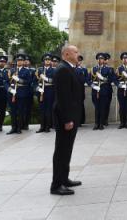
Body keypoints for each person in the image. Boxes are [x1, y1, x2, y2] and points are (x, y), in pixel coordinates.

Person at [51, 45, 84, 196]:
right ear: (66, 54)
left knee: (67, 150)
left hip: (72, 115)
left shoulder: (69, 68)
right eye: (75, 52)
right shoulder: (63, 69)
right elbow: (63, 98)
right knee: (61, 151)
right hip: (66, 117)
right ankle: (56, 185)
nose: (78, 54)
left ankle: (64, 178)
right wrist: (67, 119)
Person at [91, 52, 116, 130]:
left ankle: (101, 123)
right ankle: (96, 123)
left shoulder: (108, 69)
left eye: (101, 59)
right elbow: (88, 79)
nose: (100, 60)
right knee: (97, 107)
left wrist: (103, 78)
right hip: (95, 90)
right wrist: (93, 86)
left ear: (104, 60)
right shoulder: (93, 69)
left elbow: (112, 79)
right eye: (99, 59)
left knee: (102, 107)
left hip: (104, 90)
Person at [36, 54, 56, 133]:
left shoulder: (54, 70)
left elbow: (55, 80)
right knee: (41, 110)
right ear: (44, 61)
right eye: (46, 60)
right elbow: (34, 82)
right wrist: (38, 89)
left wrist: (47, 79)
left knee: (48, 109)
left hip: (49, 91)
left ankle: (47, 127)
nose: (47, 61)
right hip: (41, 91)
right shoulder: (39, 70)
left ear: (50, 61)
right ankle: (42, 126)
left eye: (49, 60)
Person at [75, 55, 90, 125]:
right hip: (73, 89)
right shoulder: (72, 68)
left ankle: (80, 120)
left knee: (80, 105)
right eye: (78, 60)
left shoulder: (84, 70)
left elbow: (86, 79)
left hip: (81, 89)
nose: (79, 62)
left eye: (80, 60)